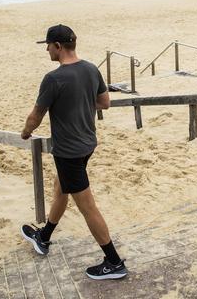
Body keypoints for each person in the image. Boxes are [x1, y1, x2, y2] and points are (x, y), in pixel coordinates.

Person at [20, 24, 127, 280]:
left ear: (58, 46)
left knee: (87, 206)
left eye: (47, 45)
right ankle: (43, 237)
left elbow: (36, 115)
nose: (46, 49)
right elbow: (105, 103)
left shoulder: (53, 78)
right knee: (60, 189)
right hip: (87, 144)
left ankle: (113, 262)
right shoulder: (91, 69)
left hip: (68, 151)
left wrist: (25, 133)